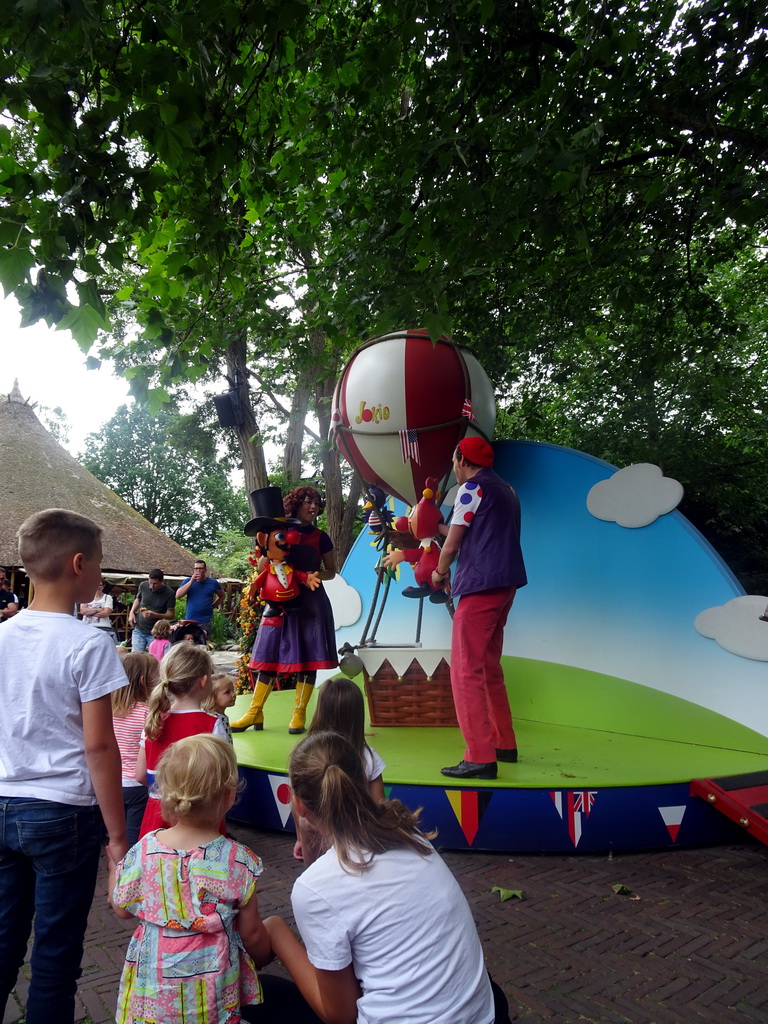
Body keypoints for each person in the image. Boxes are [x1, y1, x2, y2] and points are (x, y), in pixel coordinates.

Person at [264, 731, 511, 1024]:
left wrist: (278, 934)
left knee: (260, 995)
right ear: (362, 782)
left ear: (300, 805)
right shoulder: (411, 834)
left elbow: (340, 1015)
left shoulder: (315, 888)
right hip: (486, 1016)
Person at [0, 509, 128, 1024]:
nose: (100, 578)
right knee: (55, 954)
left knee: (5, 938)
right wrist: (118, 837)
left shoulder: (2, 637)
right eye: (98, 567)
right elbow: (100, 749)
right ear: (79, 565)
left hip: (4, 802)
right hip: (63, 815)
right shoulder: (90, 643)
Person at [110, 735, 278, 1023]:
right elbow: (251, 933)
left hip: (155, 990)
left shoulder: (146, 850)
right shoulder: (237, 860)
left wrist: (114, 869)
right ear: (228, 796)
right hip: (213, 992)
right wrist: (263, 956)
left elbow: (122, 909)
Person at [432, 437, 528, 781]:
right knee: (488, 666)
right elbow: (480, 533)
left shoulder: (470, 489)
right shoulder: (507, 490)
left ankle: (479, 756)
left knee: (465, 669)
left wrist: (439, 573)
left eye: (455, 461)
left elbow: (453, 545)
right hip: (506, 585)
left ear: (461, 459)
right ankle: (505, 744)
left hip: (479, 586)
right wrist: (437, 529)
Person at [232, 486, 338, 735]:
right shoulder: (278, 529)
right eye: (307, 502)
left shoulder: (321, 536)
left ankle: (299, 714)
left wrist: (311, 576)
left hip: (311, 602)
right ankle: (254, 712)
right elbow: (261, 567)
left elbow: (331, 571)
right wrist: (270, 556)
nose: (313, 507)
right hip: (279, 602)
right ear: (296, 503)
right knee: (268, 657)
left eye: (316, 503)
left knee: (308, 660)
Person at [135, 642, 228, 838]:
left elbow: (140, 774)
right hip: (200, 821)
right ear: (203, 681)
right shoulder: (212, 725)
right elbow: (223, 780)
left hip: (157, 816)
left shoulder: (153, 721)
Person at [293, 676, 385, 865]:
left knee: (306, 824)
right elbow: (379, 806)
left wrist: (301, 838)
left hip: (318, 833)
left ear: (320, 712)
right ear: (357, 716)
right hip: (357, 840)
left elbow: (298, 803)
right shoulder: (369, 757)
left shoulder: (307, 755)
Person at [112, 652, 158, 846]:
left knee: (115, 834)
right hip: (137, 786)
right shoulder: (148, 712)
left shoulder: (107, 710)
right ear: (143, 681)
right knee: (134, 839)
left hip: (112, 783)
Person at [127, 568, 175, 653]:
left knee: (155, 659)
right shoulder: (143, 585)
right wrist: (131, 612)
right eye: (150, 582)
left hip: (156, 633)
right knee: (136, 657)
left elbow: (171, 615)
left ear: (162, 581)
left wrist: (155, 615)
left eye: (155, 584)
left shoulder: (169, 593)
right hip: (139, 628)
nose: (152, 586)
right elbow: (138, 599)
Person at [174, 558, 223, 635]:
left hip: (205, 621)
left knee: (203, 644)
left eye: (200, 568)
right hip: (190, 620)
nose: (198, 571)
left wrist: (213, 606)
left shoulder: (213, 583)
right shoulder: (187, 581)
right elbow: (178, 595)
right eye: (196, 568)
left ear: (205, 570)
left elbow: (222, 596)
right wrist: (191, 581)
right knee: (190, 644)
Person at [203, 672, 237, 745]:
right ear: (212, 697)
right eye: (227, 692)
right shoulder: (215, 720)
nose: (233, 694)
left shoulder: (221, 716)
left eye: (233, 690)